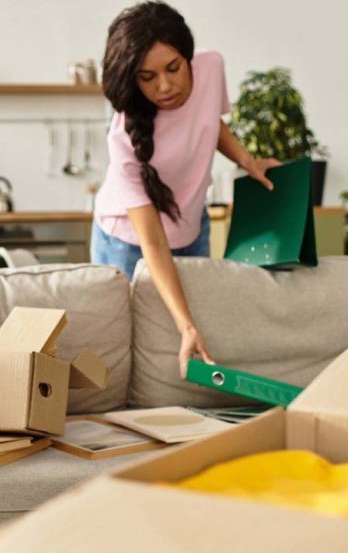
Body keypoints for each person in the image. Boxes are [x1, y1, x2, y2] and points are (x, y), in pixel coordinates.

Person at [92, 1, 279, 376]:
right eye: (147, 77)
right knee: (131, 348)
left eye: (173, 68)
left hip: (192, 225)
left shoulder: (211, 66)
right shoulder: (124, 138)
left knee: (191, 335)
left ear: (188, 57)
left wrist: (246, 160)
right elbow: (153, 242)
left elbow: (211, 122)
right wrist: (186, 325)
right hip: (128, 241)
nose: (164, 86)